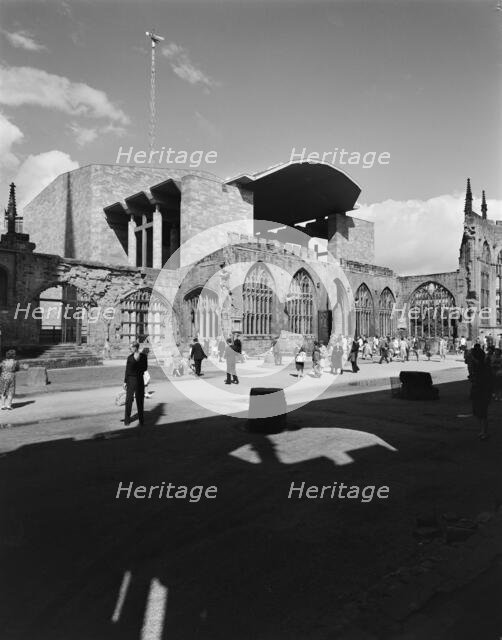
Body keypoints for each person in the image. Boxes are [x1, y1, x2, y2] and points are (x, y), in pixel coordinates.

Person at [469, 343, 493, 440]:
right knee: (478, 413)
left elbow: (478, 364)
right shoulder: (479, 366)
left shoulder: (483, 366)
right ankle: (482, 431)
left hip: (483, 391)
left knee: (482, 413)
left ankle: (485, 432)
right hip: (478, 391)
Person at [123, 342, 148, 426]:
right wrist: (125, 382)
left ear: (136, 347)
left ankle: (141, 420)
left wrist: (137, 364)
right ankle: (127, 420)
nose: (130, 349)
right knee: (128, 400)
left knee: (140, 400)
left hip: (139, 379)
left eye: (131, 347)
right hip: (130, 379)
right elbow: (127, 370)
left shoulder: (143, 357)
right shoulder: (129, 357)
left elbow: (145, 368)